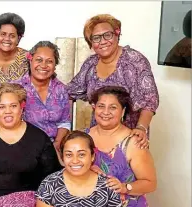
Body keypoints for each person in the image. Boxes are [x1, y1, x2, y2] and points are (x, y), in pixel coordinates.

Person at [87, 86, 160, 207]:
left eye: (113, 107)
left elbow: (150, 183)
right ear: (94, 108)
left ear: (123, 111)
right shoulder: (84, 136)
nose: (105, 112)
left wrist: (124, 187)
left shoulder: (133, 142)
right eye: (101, 106)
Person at [67, 14, 159, 149]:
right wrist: (65, 128)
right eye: (96, 38)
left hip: (130, 138)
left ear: (117, 34)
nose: (103, 41)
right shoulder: (90, 64)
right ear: (91, 43)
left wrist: (141, 128)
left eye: (107, 35)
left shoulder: (134, 60)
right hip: (98, 137)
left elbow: (150, 101)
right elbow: (70, 92)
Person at [15, 41, 71, 152]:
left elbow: (64, 122)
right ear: (30, 60)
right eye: (39, 60)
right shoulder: (15, 89)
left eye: (49, 61)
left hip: (52, 148)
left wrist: (57, 144)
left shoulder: (61, 89)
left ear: (55, 65)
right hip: (22, 148)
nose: (44, 65)